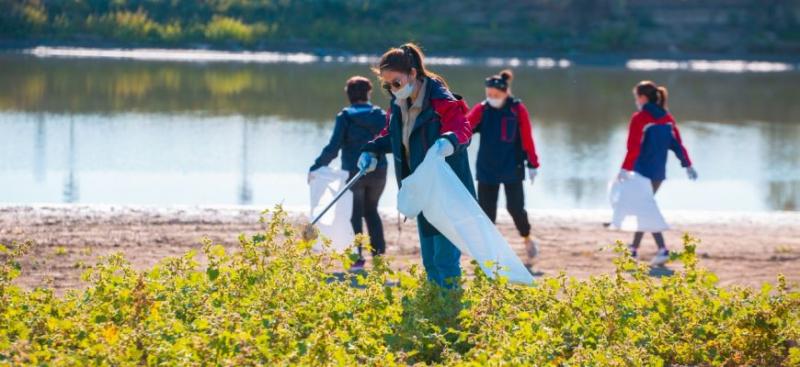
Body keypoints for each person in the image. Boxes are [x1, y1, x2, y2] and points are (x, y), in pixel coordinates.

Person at [359, 43, 474, 288]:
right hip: (421, 191)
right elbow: (390, 135)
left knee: (445, 262)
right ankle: (435, 310)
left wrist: (449, 141)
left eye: (396, 83)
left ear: (412, 74)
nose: (392, 89)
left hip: (446, 192)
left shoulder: (441, 100)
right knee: (430, 261)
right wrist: (371, 150)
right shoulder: (398, 104)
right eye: (387, 85)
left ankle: (450, 312)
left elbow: (463, 128)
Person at [309, 76, 388, 270]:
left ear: (348, 95)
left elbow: (333, 147)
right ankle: (378, 257)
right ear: (369, 93)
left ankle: (356, 258)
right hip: (378, 171)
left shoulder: (344, 117)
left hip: (353, 171)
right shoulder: (380, 115)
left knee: (354, 214)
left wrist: (316, 166)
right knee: (372, 211)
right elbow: (389, 141)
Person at [619, 80, 698, 266]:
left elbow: (633, 147)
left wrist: (625, 168)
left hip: (640, 173)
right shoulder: (667, 118)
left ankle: (662, 250)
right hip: (658, 175)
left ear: (643, 97)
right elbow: (677, 144)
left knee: (645, 208)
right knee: (643, 207)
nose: (636, 101)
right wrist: (687, 165)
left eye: (636, 97)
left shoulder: (640, 118)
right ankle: (633, 250)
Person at [466, 69, 540, 259]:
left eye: (496, 95)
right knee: (486, 211)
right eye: (489, 95)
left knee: (515, 208)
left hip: (512, 167)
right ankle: (488, 250)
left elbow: (527, 137)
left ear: (505, 93)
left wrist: (533, 163)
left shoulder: (517, 109)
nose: (492, 98)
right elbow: (465, 126)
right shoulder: (482, 109)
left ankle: (527, 237)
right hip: (487, 168)